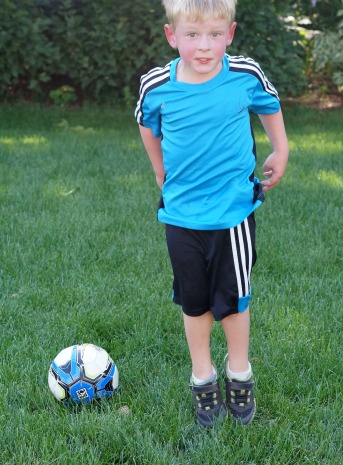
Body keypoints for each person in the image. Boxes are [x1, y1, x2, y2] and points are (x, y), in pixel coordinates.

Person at [134, 0, 289, 427]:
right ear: (172, 36)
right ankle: (203, 378)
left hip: (232, 216)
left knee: (234, 302)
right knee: (194, 301)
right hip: (182, 218)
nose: (204, 47)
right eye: (193, 35)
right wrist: (160, 172)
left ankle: (239, 373)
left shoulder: (243, 75)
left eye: (215, 35)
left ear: (231, 34)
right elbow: (147, 124)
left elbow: (269, 104)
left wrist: (281, 147)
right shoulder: (157, 85)